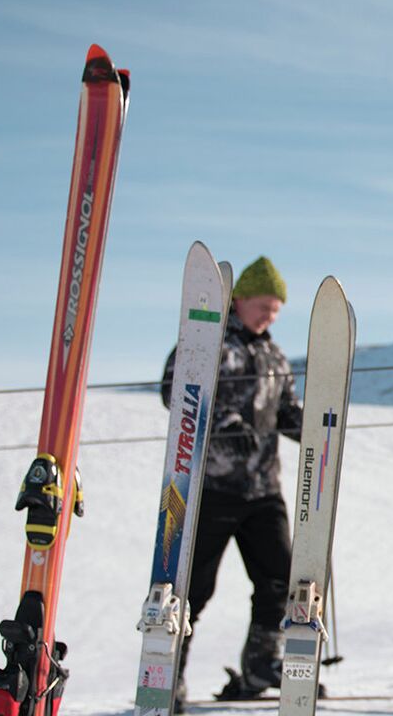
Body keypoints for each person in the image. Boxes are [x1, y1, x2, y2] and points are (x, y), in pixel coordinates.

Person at [159, 255, 303, 703]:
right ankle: (169, 674)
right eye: (264, 305)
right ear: (238, 300)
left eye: (276, 309)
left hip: (263, 490)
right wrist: (225, 422)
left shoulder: (275, 354)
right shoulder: (208, 342)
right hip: (213, 489)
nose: (269, 316)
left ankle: (262, 665)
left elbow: (285, 409)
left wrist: (309, 427)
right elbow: (174, 389)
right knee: (194, 588)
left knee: (280, 580)